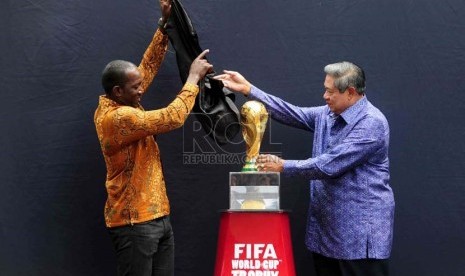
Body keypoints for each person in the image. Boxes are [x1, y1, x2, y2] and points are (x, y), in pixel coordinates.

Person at [214, 62, 395, 276]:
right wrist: (249, 89)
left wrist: (282, 166)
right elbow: (292, 113)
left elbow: (330, 165)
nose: (324, 96)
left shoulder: (371, 123)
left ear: (351, 93)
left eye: (330, 91)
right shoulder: (328, 114)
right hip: (327, 234)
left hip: (358, 236)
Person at [94, 0, 213, 275]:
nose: (141, 90)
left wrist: (163, 25)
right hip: (134, 223)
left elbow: (144, 70)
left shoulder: (126, 99)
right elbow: (171, 117)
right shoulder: (117, 118)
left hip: (158, 216)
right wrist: (192, 80)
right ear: (117, 91)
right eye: (135, 88)